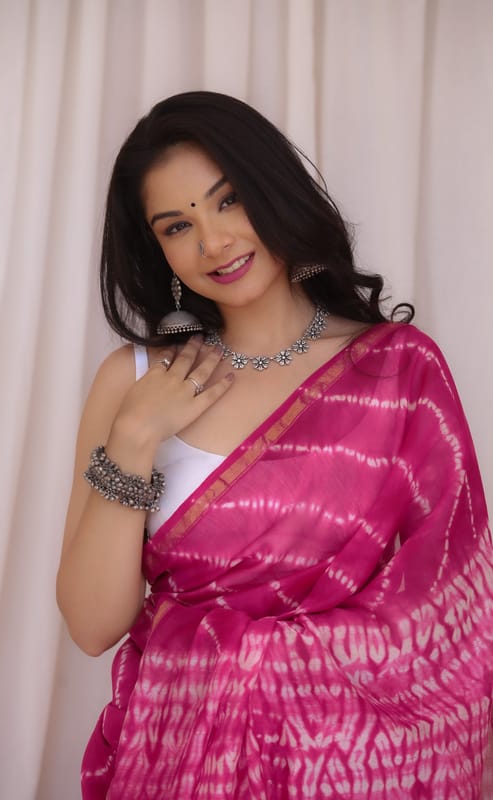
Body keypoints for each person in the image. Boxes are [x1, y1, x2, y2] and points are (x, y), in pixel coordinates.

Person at [57, 91, 493, 799]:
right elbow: (91, 624)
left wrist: (258, 665)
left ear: (273, 191)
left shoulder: (399, 372)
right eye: (178, 226)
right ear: (158, 249)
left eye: (228, 201)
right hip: (180, 766)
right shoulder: (133, 382)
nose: (213, 242)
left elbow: (450, 622)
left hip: (354, 775)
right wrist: (135, 436)